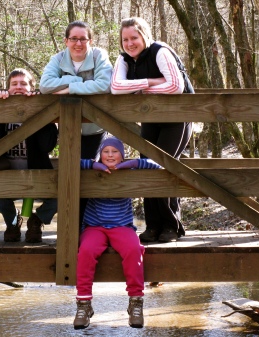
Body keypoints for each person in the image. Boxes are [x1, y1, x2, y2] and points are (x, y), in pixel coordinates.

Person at [110, 17, 192, 243]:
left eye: (134, 37)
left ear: (144, 36)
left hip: (177, 119)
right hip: (150, 120)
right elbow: (116, 87)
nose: (130, 43)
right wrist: (151, 82)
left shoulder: (161, 51)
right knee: (145, 168)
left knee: (163, 168)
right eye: (125, 39)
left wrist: (140, 89)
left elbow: (176, 86)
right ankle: (153, 226)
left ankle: (171, 227)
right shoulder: (124, 59)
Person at [74, 136, 161, 330]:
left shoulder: (129, 170)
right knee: (86, 251)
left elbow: (157, 165)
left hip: (121, 226)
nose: (110, 155)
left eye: (115, 152)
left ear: (122, 155)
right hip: (94, 226)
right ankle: (83, 305)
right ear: (101, 154)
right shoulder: (93, 167)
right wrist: (93, 165)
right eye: (106, 151)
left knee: (133, 250)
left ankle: (136, 303)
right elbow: (70, 163)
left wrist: (131, 163)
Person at [39, 20, 113, 225]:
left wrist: (70, 89)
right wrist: (80, 82)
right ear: (66, 41)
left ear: (90, 40)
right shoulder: (58, 58)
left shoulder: (99, 56)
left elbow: (105, 84)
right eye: (74, 39)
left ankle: (82, 228)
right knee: (68, 178)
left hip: (95, 129)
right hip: (68, 131)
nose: (78, 43)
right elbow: (45, 85)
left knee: (87, 177)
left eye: (83, 39)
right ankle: (66, 226)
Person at [0, 68, 58, 243]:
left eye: (23, 84)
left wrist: (39, 111)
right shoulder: (1, 109)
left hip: (37, 173)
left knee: (62, 196)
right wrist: (1, 108)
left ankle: (36, 221)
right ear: (7, 88)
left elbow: (47, 145)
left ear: (32, 88)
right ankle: (12, 222)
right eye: (14, 84)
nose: (18, 87)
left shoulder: (41, 109)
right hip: (6, 174)